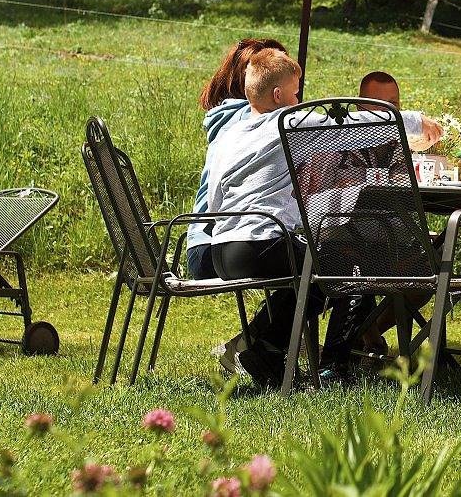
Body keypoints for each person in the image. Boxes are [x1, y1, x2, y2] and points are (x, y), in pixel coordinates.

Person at [206, 50, 443, 386]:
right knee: (348, 266)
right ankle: (329, 365)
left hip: (224, 250)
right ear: (278, 95)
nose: (299, 99)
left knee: (321, 267)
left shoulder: (230, 135)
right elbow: (351, 125)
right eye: (296, 92)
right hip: (262, 242)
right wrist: (417, 122)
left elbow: (215, 198)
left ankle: (268, 352)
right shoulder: (288, 123)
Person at [187, 37, 287, 279]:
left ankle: (277, 319)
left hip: (201, 243)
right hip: (225, 244)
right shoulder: (254, 122)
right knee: (329, 262)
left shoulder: (227, 119)